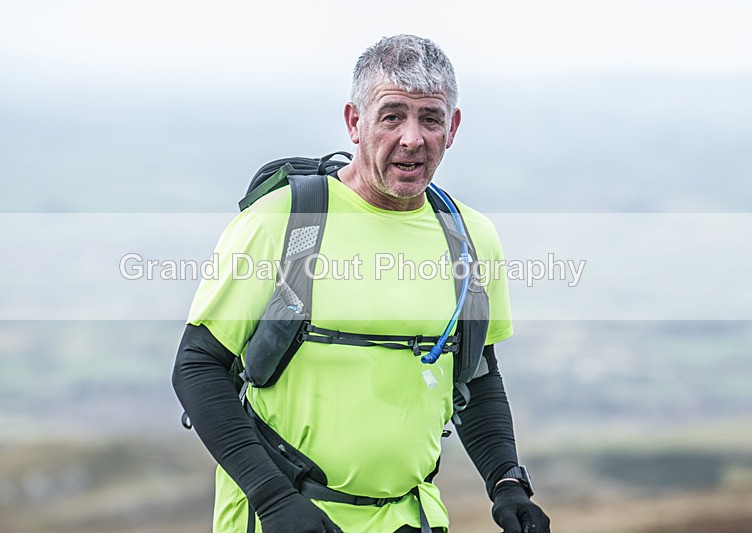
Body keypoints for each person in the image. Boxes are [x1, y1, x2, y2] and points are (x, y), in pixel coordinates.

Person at [172, 34, 550, 533]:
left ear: (452, 128)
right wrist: (274, 501)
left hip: (412, 519)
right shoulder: (284, 222)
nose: (412, 138)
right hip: (284, 521)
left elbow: (476, 377)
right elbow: (198, 368)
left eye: (430, 118)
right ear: (355, 121)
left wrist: (506, 483)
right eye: (392, 115)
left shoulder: (470, 239)